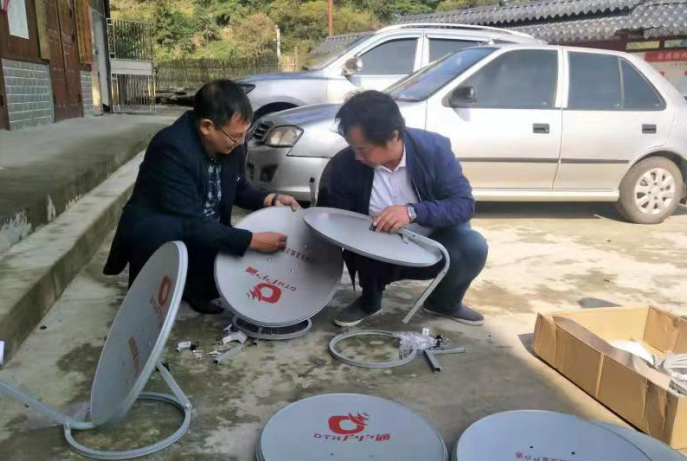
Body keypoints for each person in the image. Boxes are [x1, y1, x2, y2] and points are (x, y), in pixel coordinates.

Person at [103, 80, 299, 314]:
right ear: (207, 127)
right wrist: (252, 241)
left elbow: (239, 189)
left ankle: (195, 288)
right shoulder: (171, 148)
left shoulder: (232, 141)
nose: (241, 142)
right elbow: (190, 223)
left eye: (244, 135)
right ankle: (158, 286)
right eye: (235, 136)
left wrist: (271, 199)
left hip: (204, 229)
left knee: (213, 288)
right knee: (156, 300)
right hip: (164, 231)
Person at [327, 90, 488, 327]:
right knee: (360, 242)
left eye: (364, 149)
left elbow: (463, 204)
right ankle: (369, 300)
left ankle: (444, 302)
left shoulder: (434, 150)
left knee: (472, 245)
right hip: (375, 249)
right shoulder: (345, 164)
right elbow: (338, 218)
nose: (357, 156)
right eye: (353, 148)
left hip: (432, 242)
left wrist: (412, 212)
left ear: (394, 136)